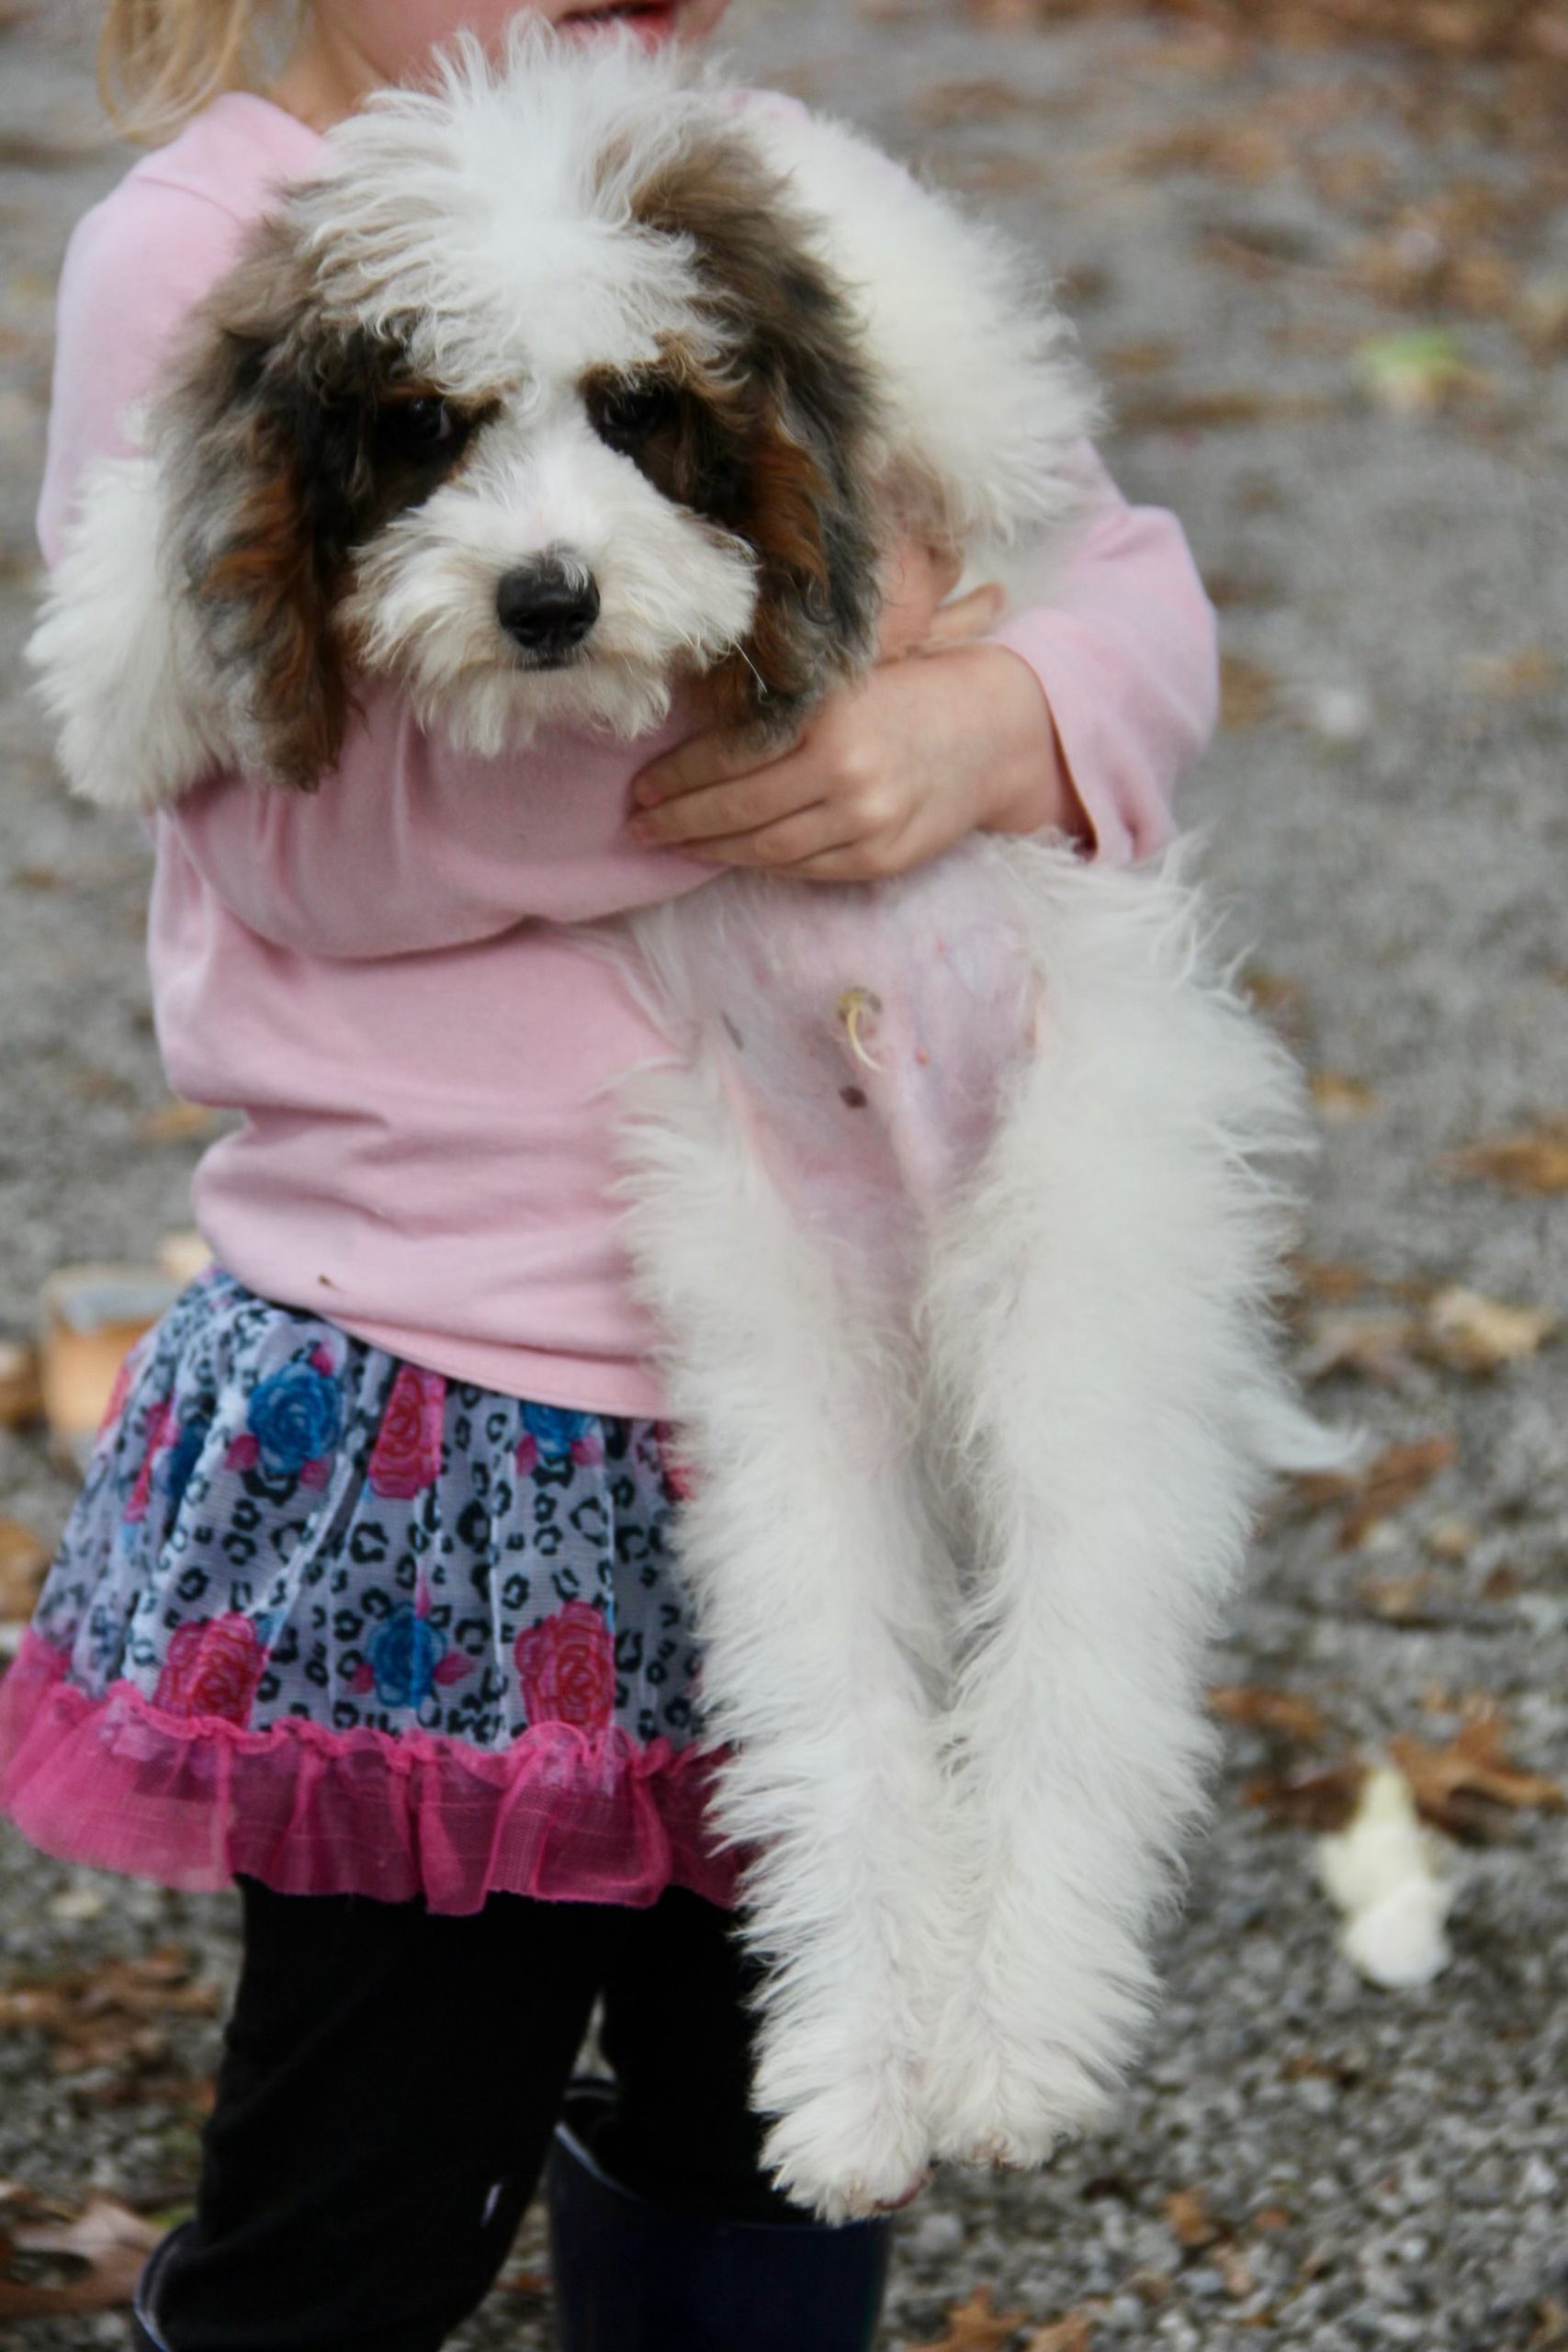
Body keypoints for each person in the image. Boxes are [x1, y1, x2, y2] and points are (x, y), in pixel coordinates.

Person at [0, 2, 1220, 2345]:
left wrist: (998, 722)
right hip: (457, 1385)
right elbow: (285, 838)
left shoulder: (749, 171)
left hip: (826, 1362)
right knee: (369, 2173)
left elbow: (1125, 574)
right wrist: (779, 723)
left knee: (762, 2122)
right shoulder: (197, 247)